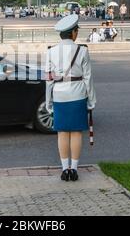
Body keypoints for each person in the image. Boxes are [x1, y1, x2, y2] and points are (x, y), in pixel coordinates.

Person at [46, 14, 97, 182]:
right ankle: (74, 170)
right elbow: (88, 78)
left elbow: (49, 80)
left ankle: (64, 169)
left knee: (62, 132)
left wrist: (48, 102)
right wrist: (91, 100)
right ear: (74, 33)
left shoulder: (51, 52)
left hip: (59, 94)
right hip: (77, 93)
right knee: (75, 132)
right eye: (76, 31)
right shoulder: (82, 51)